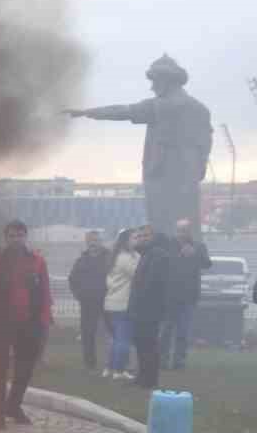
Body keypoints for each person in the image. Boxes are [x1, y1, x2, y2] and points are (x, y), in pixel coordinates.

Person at [65, 54, 213, 235]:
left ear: (166, 81)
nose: (152, 87)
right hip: (189, 179)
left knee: (162, 227)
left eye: (155, 81)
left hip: (161, 176)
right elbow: (205, 142)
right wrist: (199, 167)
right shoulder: (200, 108)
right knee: (188, 228)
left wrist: (87, 112)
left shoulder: (161, 106)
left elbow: (124, 111)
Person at [0, 220, 53, 430]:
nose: (16, 239)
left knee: (24, 369)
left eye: (19, 235)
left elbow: (45, 293)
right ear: (5, 238)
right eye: (11, 235)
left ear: (25, 236)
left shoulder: (37, 261)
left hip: (29, 323)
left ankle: (13, 406)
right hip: (0, 324)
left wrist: (44, 321)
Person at [160, 218, 211, 370]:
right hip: (170, 295)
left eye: (185, 230)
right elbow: (163, 263)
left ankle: (179, 361)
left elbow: (207, 264)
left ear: (190, 231)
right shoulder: (168, 245)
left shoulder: (199, 246)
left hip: (189, 296)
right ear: (175, 231)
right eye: (179, 230)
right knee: (167, 329)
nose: (182, 233)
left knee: (183, 330)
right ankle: (163, 359)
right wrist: (178, 255)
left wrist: (194, 254)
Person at [127, 224, 172, 389]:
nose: (142, 239)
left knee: (148, 344)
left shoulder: (158, 255)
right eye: (140, 236)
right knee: (140, 343)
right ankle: (142, 376)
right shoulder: (147, 255)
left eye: (146, 236)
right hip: (140, 308)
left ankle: (149, 379)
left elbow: (152, 284)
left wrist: (140, 303)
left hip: (150, 309)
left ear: (153, 237)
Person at [67, 230, 110, 371]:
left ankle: (115, 363)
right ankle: (89, 363)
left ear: (101, 241)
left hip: (108, 301)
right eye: (90, 240)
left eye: (96, 240)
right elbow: (72, 279)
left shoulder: (110, 257)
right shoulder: (81, 260)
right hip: (87, 302)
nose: (93, 243)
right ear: (86, 242)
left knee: (113, 333)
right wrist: (79, 295)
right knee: (87, 333)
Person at [102, 227, 140, 379]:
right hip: (123, 303)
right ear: (126, 241)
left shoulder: (117, 256)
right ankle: (119, 370)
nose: (137, 240)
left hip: (112, 303)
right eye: (134, 237)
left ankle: (110, 368)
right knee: (123, 339)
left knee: (117, 338)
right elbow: (138, 273)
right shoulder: (125, 258)